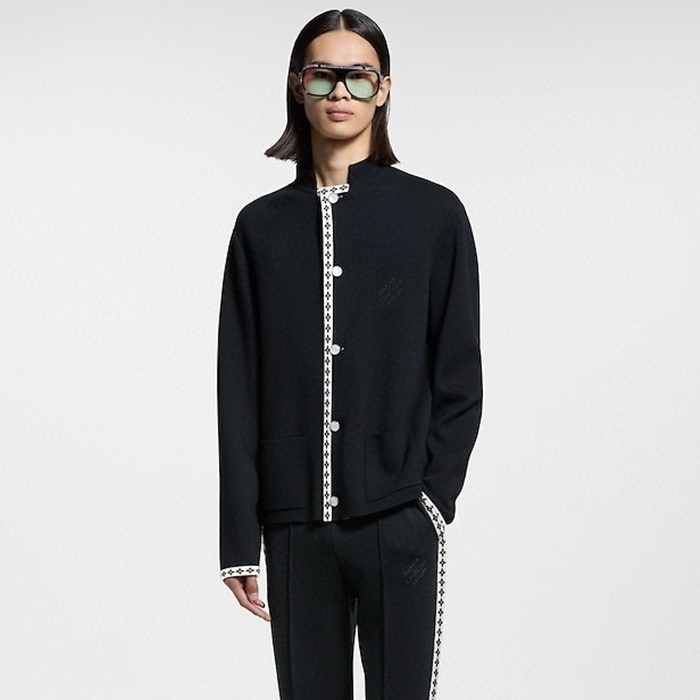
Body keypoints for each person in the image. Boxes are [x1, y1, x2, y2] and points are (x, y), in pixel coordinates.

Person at [217, 8, 482, 699]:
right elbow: (238, 388)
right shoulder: (260, 228)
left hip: (400, 517)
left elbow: (459, 376)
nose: (340, 92)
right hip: (294, 525)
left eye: (359, 76)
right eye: (323, 75)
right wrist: (240, 538)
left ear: (383, 89)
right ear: (297, 85)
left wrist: (431, 500)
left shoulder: (434, 215)